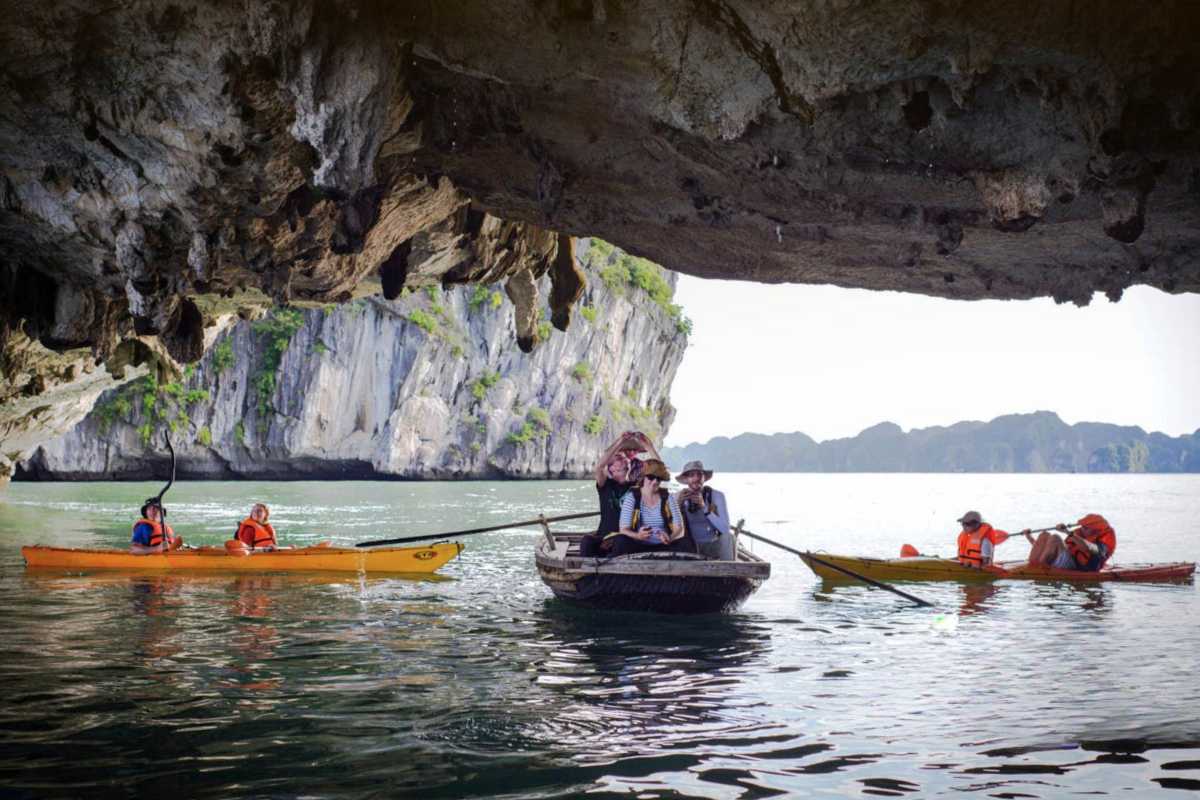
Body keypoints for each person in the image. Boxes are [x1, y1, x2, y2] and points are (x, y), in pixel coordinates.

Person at [580, 431, 660, 557]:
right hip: (604, 538)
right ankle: (588, 571)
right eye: (618, 458)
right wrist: (620, 441)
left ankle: (610, 569)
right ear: (611, 468)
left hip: (626, 538)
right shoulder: (605, 485)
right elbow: (599, 466)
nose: (624, 458)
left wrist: (648, 446)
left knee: (620, 541)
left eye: (624, 458)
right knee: (586, 542)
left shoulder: (637, 487)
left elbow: (658, 472)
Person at [609, 459, 686, 556]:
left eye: (658, 478)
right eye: (651, 477)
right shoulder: (632, 497)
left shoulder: (667, 497)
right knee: (620, 540)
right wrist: (638, 535)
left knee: (684, 542)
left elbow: (680, 529)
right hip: (638, 546)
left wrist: (669, 538)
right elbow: (623, 529)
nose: (655, 482)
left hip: (664, 546)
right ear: (643, 477)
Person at [675, 460, 735, 560]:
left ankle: (729, 573)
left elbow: (725, 529)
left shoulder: (716, 496)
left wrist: (705, 508)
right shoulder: (678, 496)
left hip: (711, 545)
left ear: (704, 478)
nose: (696, 478)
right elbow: (670, 528)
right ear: (686, 479)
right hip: (688, 547)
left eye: (699, 474)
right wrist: (677, 505)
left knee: (729, 537)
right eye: (691, 475)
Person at [1023, 514, 1117, 571]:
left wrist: (1067, 532)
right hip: (1068, 561)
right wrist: (1029, 537)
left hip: (1079, 567)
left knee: (1055, 538)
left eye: (1085, 527)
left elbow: (1091, 548)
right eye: (1082, 526)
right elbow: (1050, 549)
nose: (1082, 529)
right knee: (1044, 535)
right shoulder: (1079, 533)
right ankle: (1033, 565)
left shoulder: (1104, 539)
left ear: (1095, 530)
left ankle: (1038, 569)